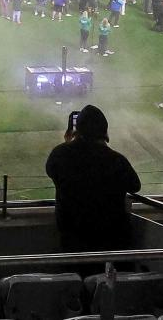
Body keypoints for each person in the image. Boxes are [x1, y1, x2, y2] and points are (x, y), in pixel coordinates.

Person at [44, 104, 141, 253]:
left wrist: (68, 144)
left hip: (73, 241)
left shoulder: (60, 154)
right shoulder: (116, 160)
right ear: (104, 132)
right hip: (112, 242)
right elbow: (135, 186)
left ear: (77, 131)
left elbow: (51, 170)